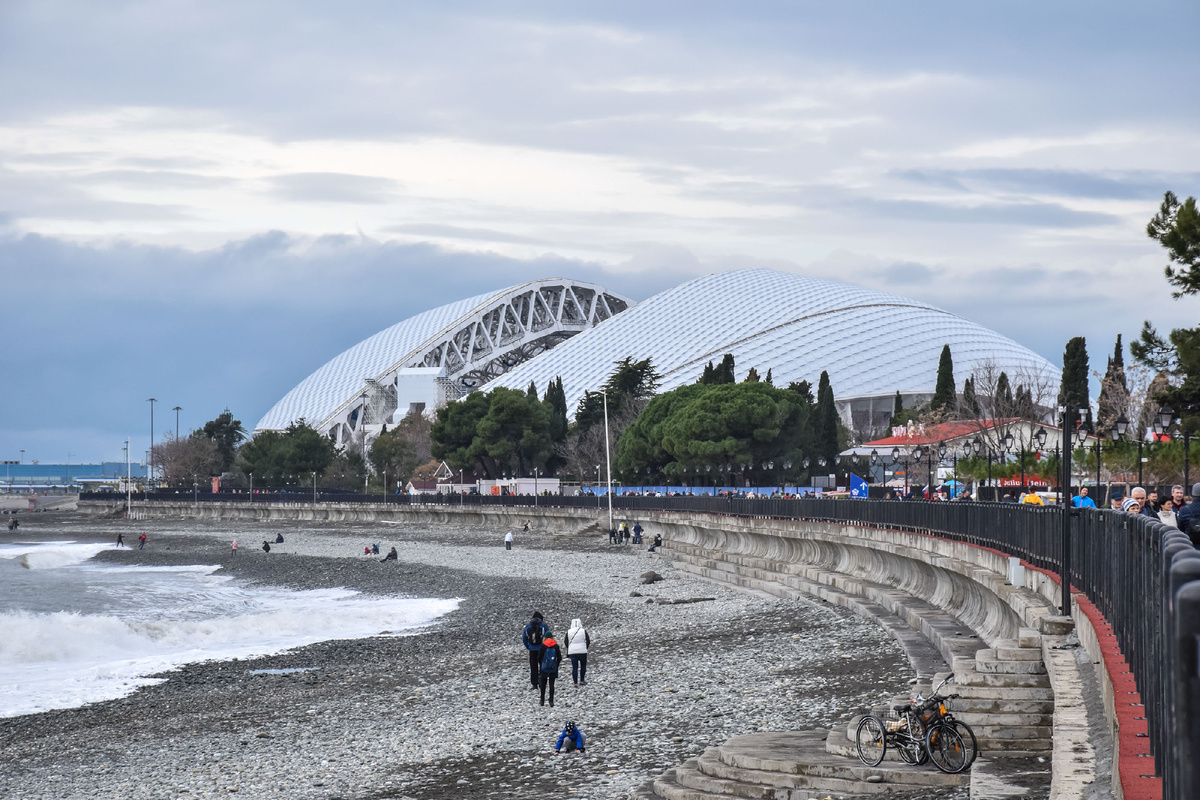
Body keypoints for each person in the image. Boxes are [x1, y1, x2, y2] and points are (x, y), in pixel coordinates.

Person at [522, 612, 552, 689]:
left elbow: (524, 638)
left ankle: (534, 684)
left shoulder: (528, 625)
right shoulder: (543, 625)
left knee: (533, 666)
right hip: (542, 649)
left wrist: (528, 646)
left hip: (532, 649)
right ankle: (542, 681)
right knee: (543, 665)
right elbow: (548, 636)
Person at [565, 618, 591, 686]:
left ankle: (575, 683)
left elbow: (566, 642)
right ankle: (582, 681)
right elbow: (588, 640)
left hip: (572, 652)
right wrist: (585, 647)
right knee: (583, 666)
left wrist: (569, 648)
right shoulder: (583, 631)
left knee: (574, 667)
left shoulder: (568, 631)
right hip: (582, 651)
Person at [537, 636, 562, 707]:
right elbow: (559, 658)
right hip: (553, 667)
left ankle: (542, 700)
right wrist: (556, 665)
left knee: (543, 684)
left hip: (544, 667)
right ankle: (551, 701)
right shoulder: (556, 646)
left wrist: (541, 664)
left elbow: (539, 657)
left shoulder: (543, 646)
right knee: (552, 684)